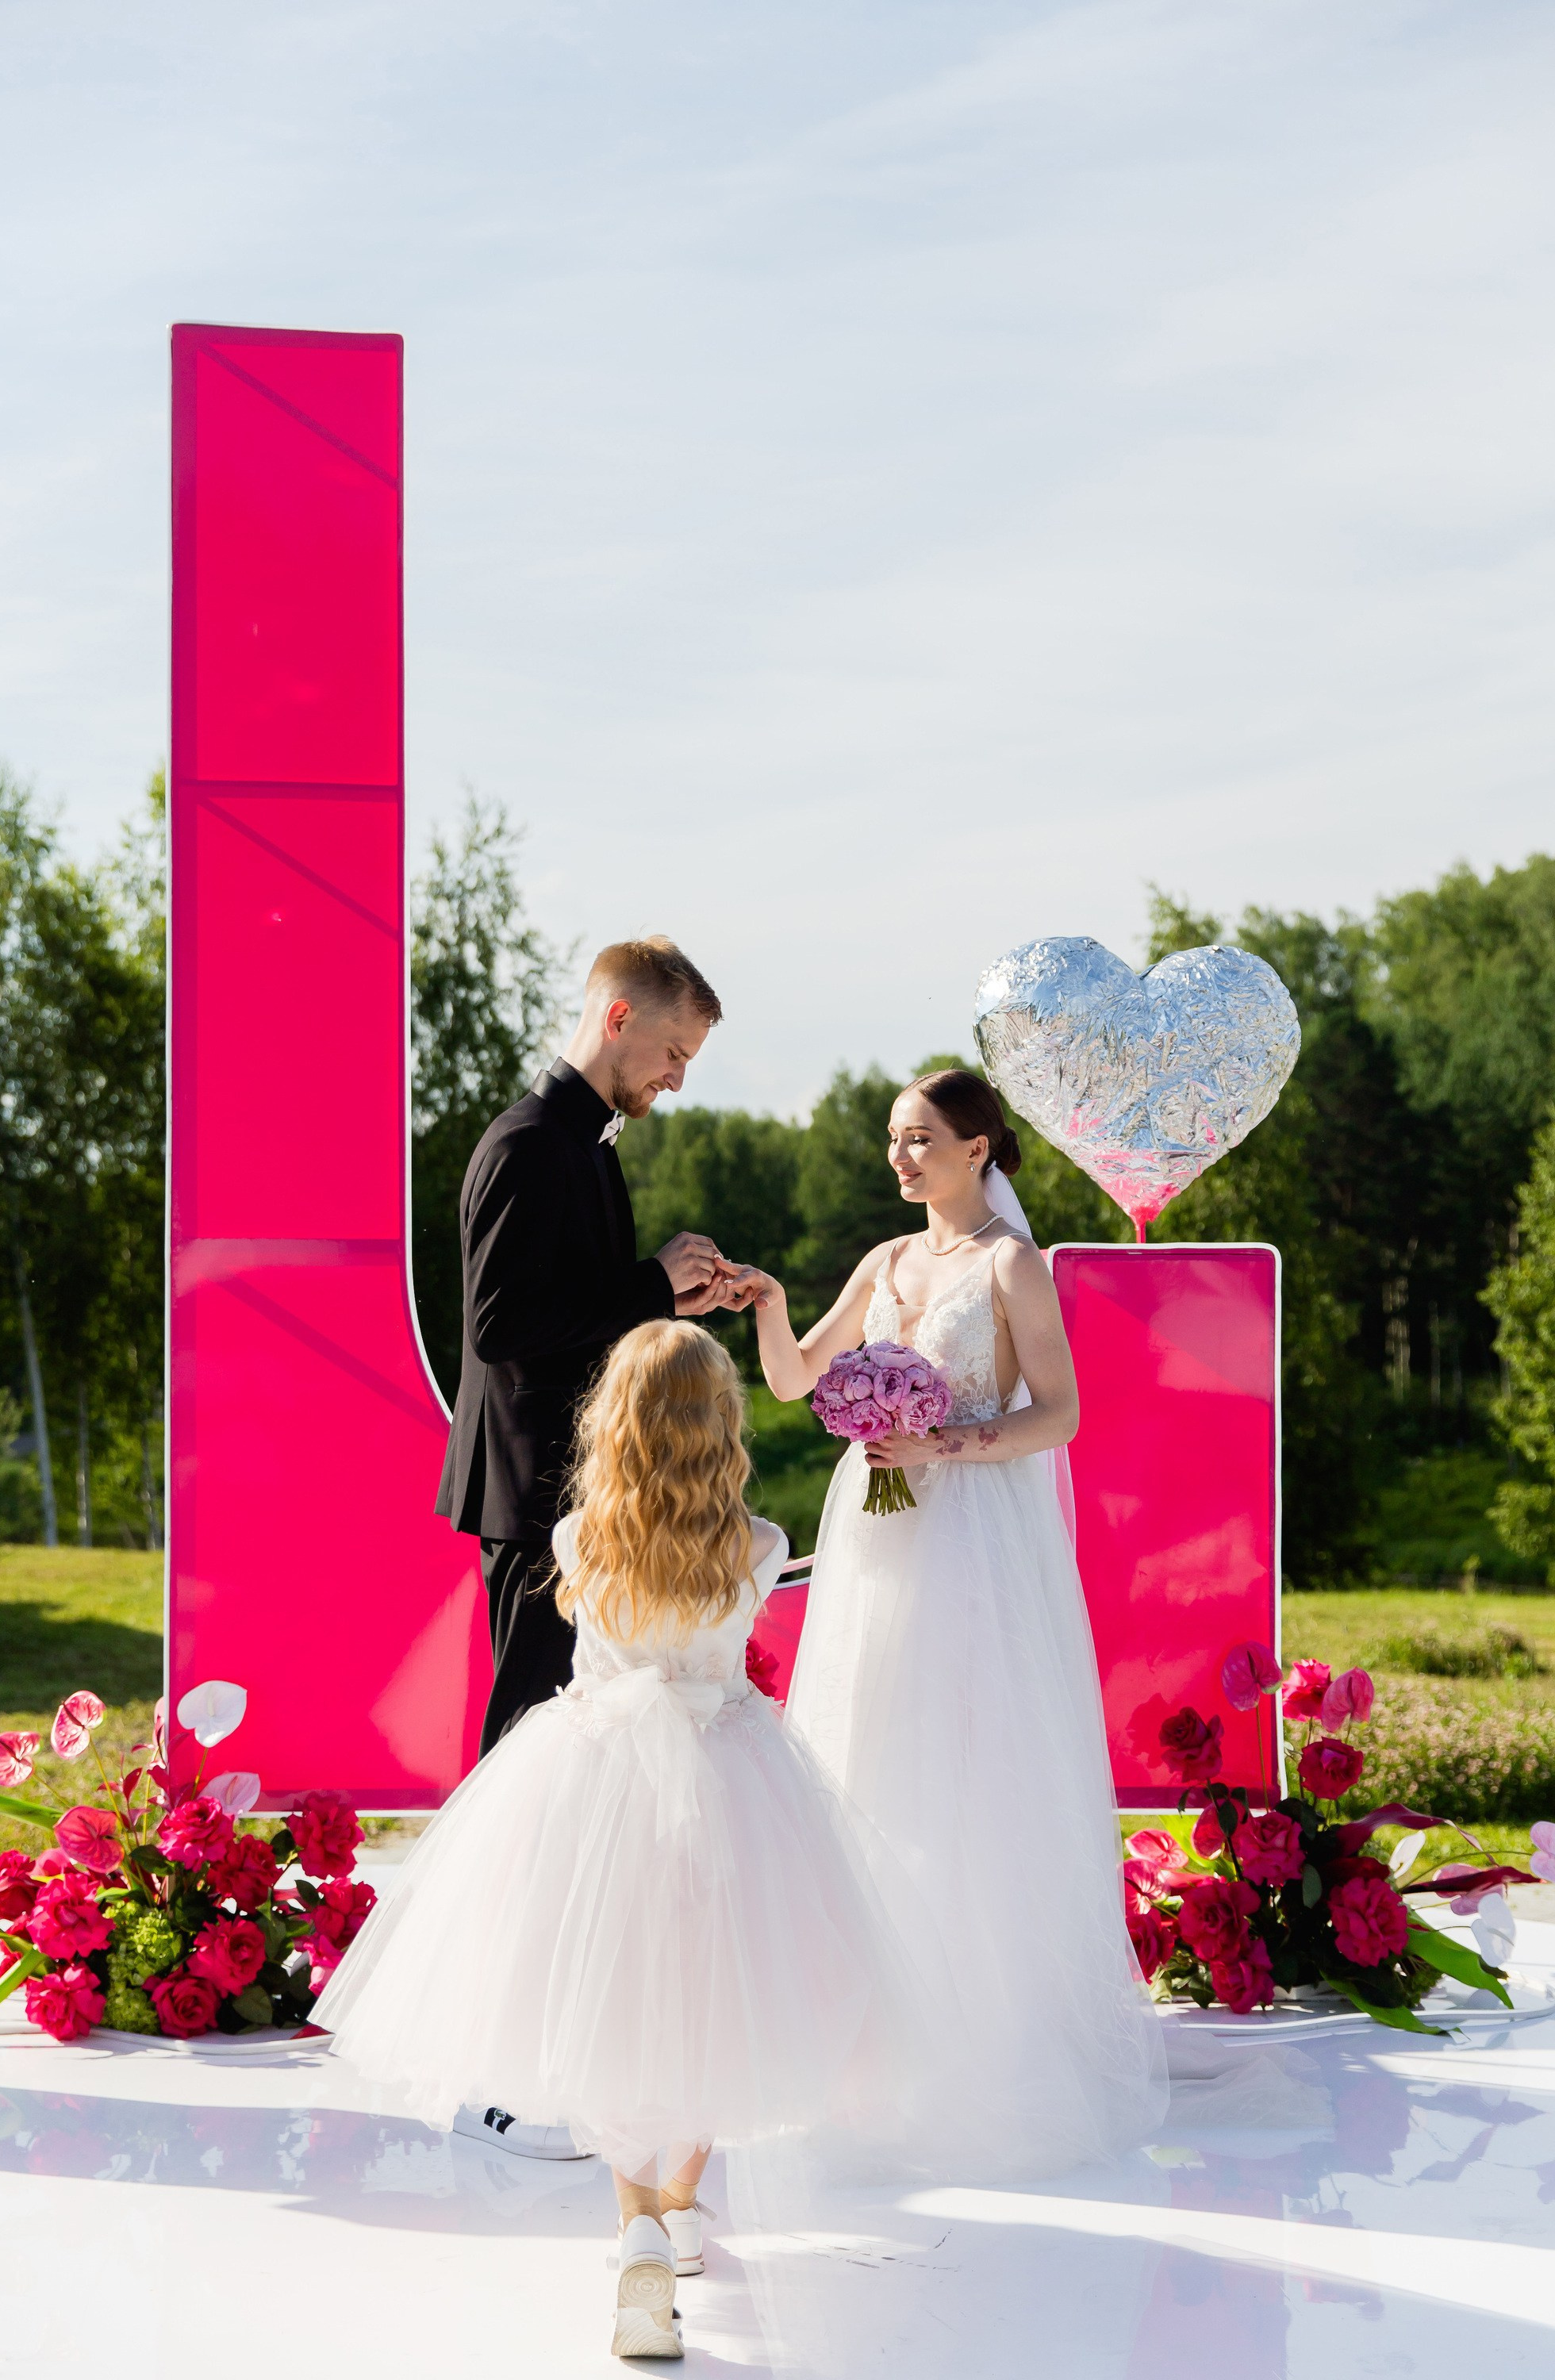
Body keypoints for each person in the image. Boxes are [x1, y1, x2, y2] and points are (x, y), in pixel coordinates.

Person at [323, 1321, 908, 2362]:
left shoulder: (578, 1539)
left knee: (604, 1998)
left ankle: (637, 2222)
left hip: (591, 1784)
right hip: (731, 1790)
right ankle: (680, 2205)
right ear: (721, 1427)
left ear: (616, 1424)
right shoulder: (761, 1548)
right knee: (722, 1996)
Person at [734, 1068, 1166, 2180]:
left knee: (971, 1767)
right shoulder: (884, 1264)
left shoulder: (1011, 1267)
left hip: (974, 1537)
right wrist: (773, 1302)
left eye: (919, 1138)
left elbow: (1060, 1413)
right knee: (870, 1751)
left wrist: (948, 1447)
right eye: (893, 1139)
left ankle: (986, 2041)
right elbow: (792, 1383)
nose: (899, 1158)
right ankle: (874, 2039)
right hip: (880, 1542)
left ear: (979, 1148)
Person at [433, 935, 751, 2158]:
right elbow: (509, 1332)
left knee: (554, 1788)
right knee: (524, 1784)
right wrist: (652, 1289)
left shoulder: (578, 1145)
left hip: (577, 1513)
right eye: (673, 1052)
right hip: (536, 1514)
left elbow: (576, 1316)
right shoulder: (529, 1144)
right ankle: (496, 2066)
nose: (677, 1081)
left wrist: (667, 1297)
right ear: (619, 1017)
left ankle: (546, 2049)